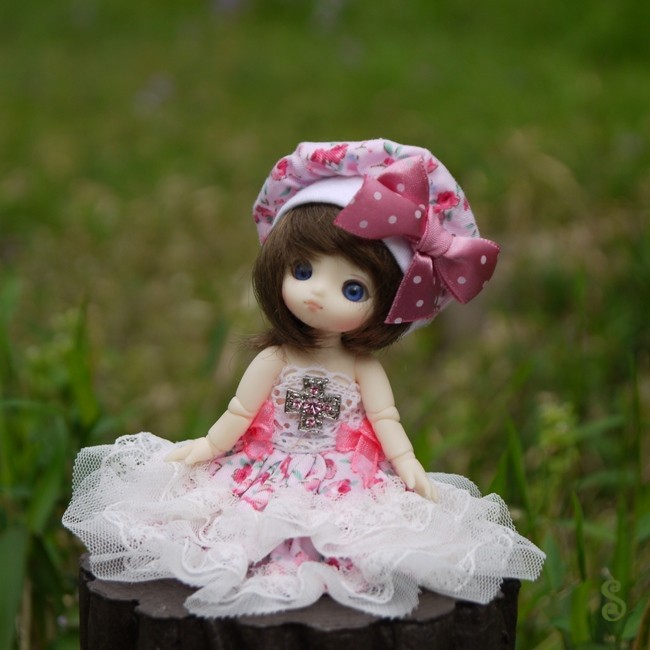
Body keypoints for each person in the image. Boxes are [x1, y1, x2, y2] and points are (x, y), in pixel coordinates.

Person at [63, 139, 544, 618]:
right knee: (239, 524)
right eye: (303, 269)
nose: (317, 294)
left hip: (344, 475)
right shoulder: (276, 357)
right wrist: (210, 445)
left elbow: (385, 418)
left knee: (348, 534)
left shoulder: (362, 367)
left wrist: (406, 462)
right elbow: (241, 410)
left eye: (352, 289)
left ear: (387, 309)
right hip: (265, 464)